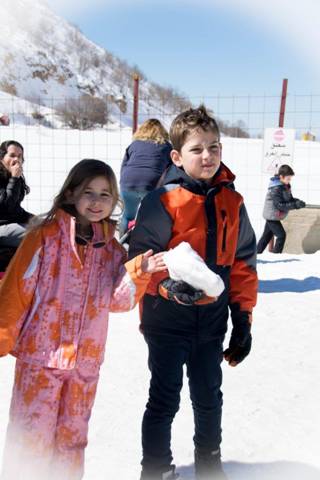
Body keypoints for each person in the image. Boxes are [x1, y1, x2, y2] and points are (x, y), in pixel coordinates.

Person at [0, 159, 166, 480]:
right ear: (71, 192)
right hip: (41, 359)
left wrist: (137, 272)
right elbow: (16, 289)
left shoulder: (112, 249)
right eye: (88, 192)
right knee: (31, 439)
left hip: (85, 365)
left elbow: (118, 301)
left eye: (105, 194)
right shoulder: (45, 238)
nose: (96, 201)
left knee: (72, 441)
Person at [128, 105, 258, 480]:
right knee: (165, 397)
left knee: (208, 397)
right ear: (176, 156)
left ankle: (209, 464)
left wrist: (243, 318)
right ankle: (155, 469)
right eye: (197, 149)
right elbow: (140, 261)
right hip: (166, 322)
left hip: (211, 323)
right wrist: (167, 286)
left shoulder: (233, 202)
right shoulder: (162, 201)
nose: (208, 156)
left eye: (214, 147)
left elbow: (243, 263)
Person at [119, 118, 172, 236]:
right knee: (151, 217)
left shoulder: (134, 145)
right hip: (151, 185)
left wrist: (124, 185)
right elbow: (171, 170)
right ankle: (145, 244)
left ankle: (122, 242)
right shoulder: (166, 147)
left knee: (127, 216)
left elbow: (124, 166)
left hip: (127, 184)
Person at [257, 164, 306, 254]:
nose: (289, 180)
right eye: (288, 178)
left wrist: (298, 202)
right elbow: (280, 205)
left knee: (266, 236)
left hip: (274, 215)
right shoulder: (276, 188)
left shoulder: (284, 186)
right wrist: (295, 205)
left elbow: (289, 199)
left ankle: (256, 254)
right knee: (281, 236)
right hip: (272, 216)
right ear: (281, 177)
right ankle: (276, 256)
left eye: (290, 179)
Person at [0, 140, 33, 248]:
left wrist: (33, 219)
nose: (16, 159)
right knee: (34, 235)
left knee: (45, 228)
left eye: (19, 156)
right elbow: (5, 207)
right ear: (1, 158)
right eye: (12, 155)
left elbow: (14, 209)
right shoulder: (13, 177)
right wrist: (14, 179)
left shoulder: (14, 177)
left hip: (7, 224)